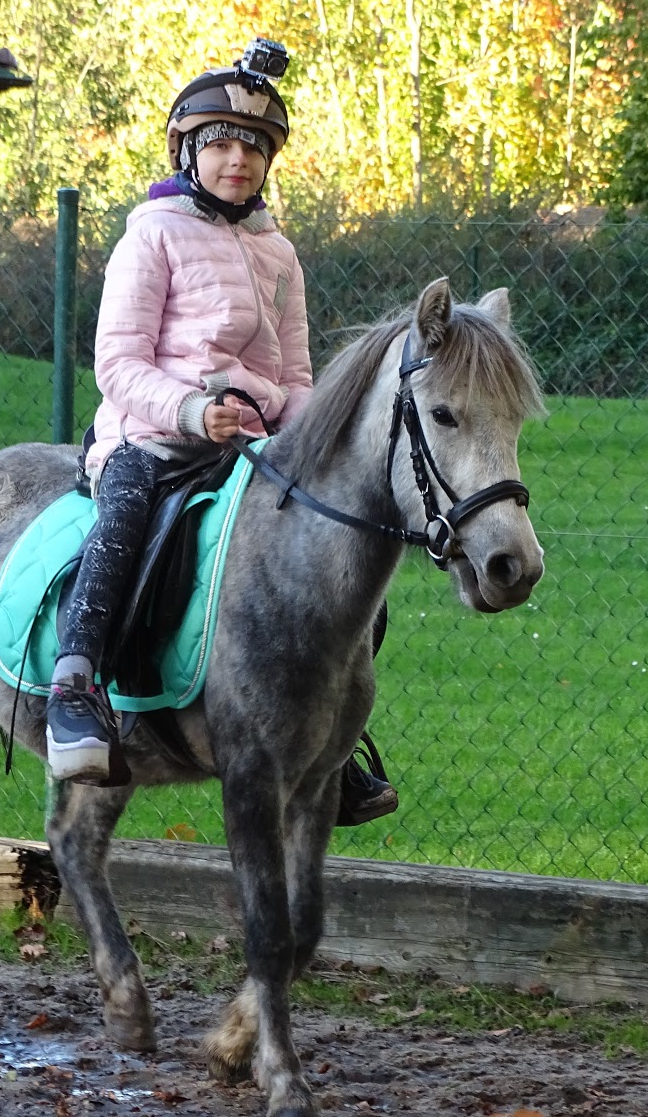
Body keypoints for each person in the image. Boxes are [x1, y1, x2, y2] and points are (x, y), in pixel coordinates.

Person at [46, 41, 399, 826]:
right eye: (223, 144)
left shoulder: (279, 252)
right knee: (126, 520)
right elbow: (117, 361)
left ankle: (333, 737)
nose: (240, 160)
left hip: (256, 448)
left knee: (347, 557)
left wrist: (310, 430)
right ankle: (76, 685)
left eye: (255, 147)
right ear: (189, 153)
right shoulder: (153, 235)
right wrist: (190, 413)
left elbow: (300, 376)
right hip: (155, 439)